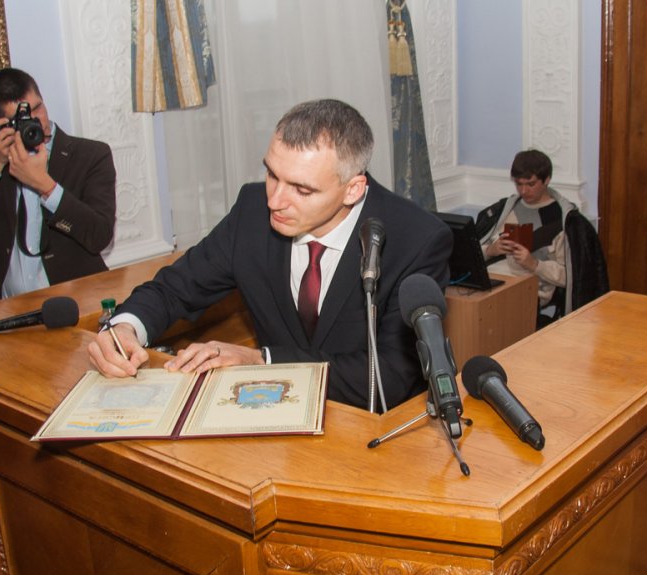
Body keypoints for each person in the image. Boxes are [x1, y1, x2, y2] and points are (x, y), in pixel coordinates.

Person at [89, 99, 453, 410]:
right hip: (270, 411)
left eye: (301, 190)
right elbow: (174, 289)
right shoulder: (251, 210)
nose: (275, 201)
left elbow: (388, 377)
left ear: (353, 190)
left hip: (369, 429)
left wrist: (262, 361)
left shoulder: (417, 239)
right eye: (272, 175)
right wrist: (125, 327)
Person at [0, 67, 117, 305]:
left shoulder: (90, 154)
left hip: (74, 302)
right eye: (22, 118)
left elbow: (100, 236)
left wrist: (45, 186)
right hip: (4, 304)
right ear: (1, 123)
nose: (36, 120)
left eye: (37, 108)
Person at [475, 149, 608, 326]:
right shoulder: (504, 210)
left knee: (487, 312)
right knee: (463, 298)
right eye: (519, 184)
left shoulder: (564, 221)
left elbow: (572, 277)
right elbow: (471, 254)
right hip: (492, 280)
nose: (524, 190)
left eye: (531, 184)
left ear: (546, 180)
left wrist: (534, 264)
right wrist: (490, 251)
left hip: (529, 289)